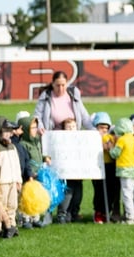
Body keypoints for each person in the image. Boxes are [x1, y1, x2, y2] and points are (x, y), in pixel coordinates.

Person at [33, 71, 94, 223]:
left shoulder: (73, 95)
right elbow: (38, 116)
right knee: (59, 178)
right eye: (57, 85)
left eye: (63, 85)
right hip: (55, 143)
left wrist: (94, 131)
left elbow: (84, 116)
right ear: (52, 84)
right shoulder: (46, 97)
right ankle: (60, 212)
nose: (60, 88)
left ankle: (74, 212)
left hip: (73, 143)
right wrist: (40, 127)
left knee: (76, 178)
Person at [0, 116, 22, 238]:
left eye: (10, 131)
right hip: (1, 181)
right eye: (6, 131)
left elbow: (17, 164)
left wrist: (18, 180)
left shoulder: (12, 147)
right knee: (0, 204)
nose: (9, 133)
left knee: (12, 204)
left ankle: (12, 224)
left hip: (12, 180)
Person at [109, 117, 134, 224]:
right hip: (133, 170)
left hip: (124, 170)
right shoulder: (132, 138)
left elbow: (115, 154)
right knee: (131, 194)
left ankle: (130, 218)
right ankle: (132, 215)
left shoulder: (122, 140)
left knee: (126, 195)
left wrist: (110, 147)